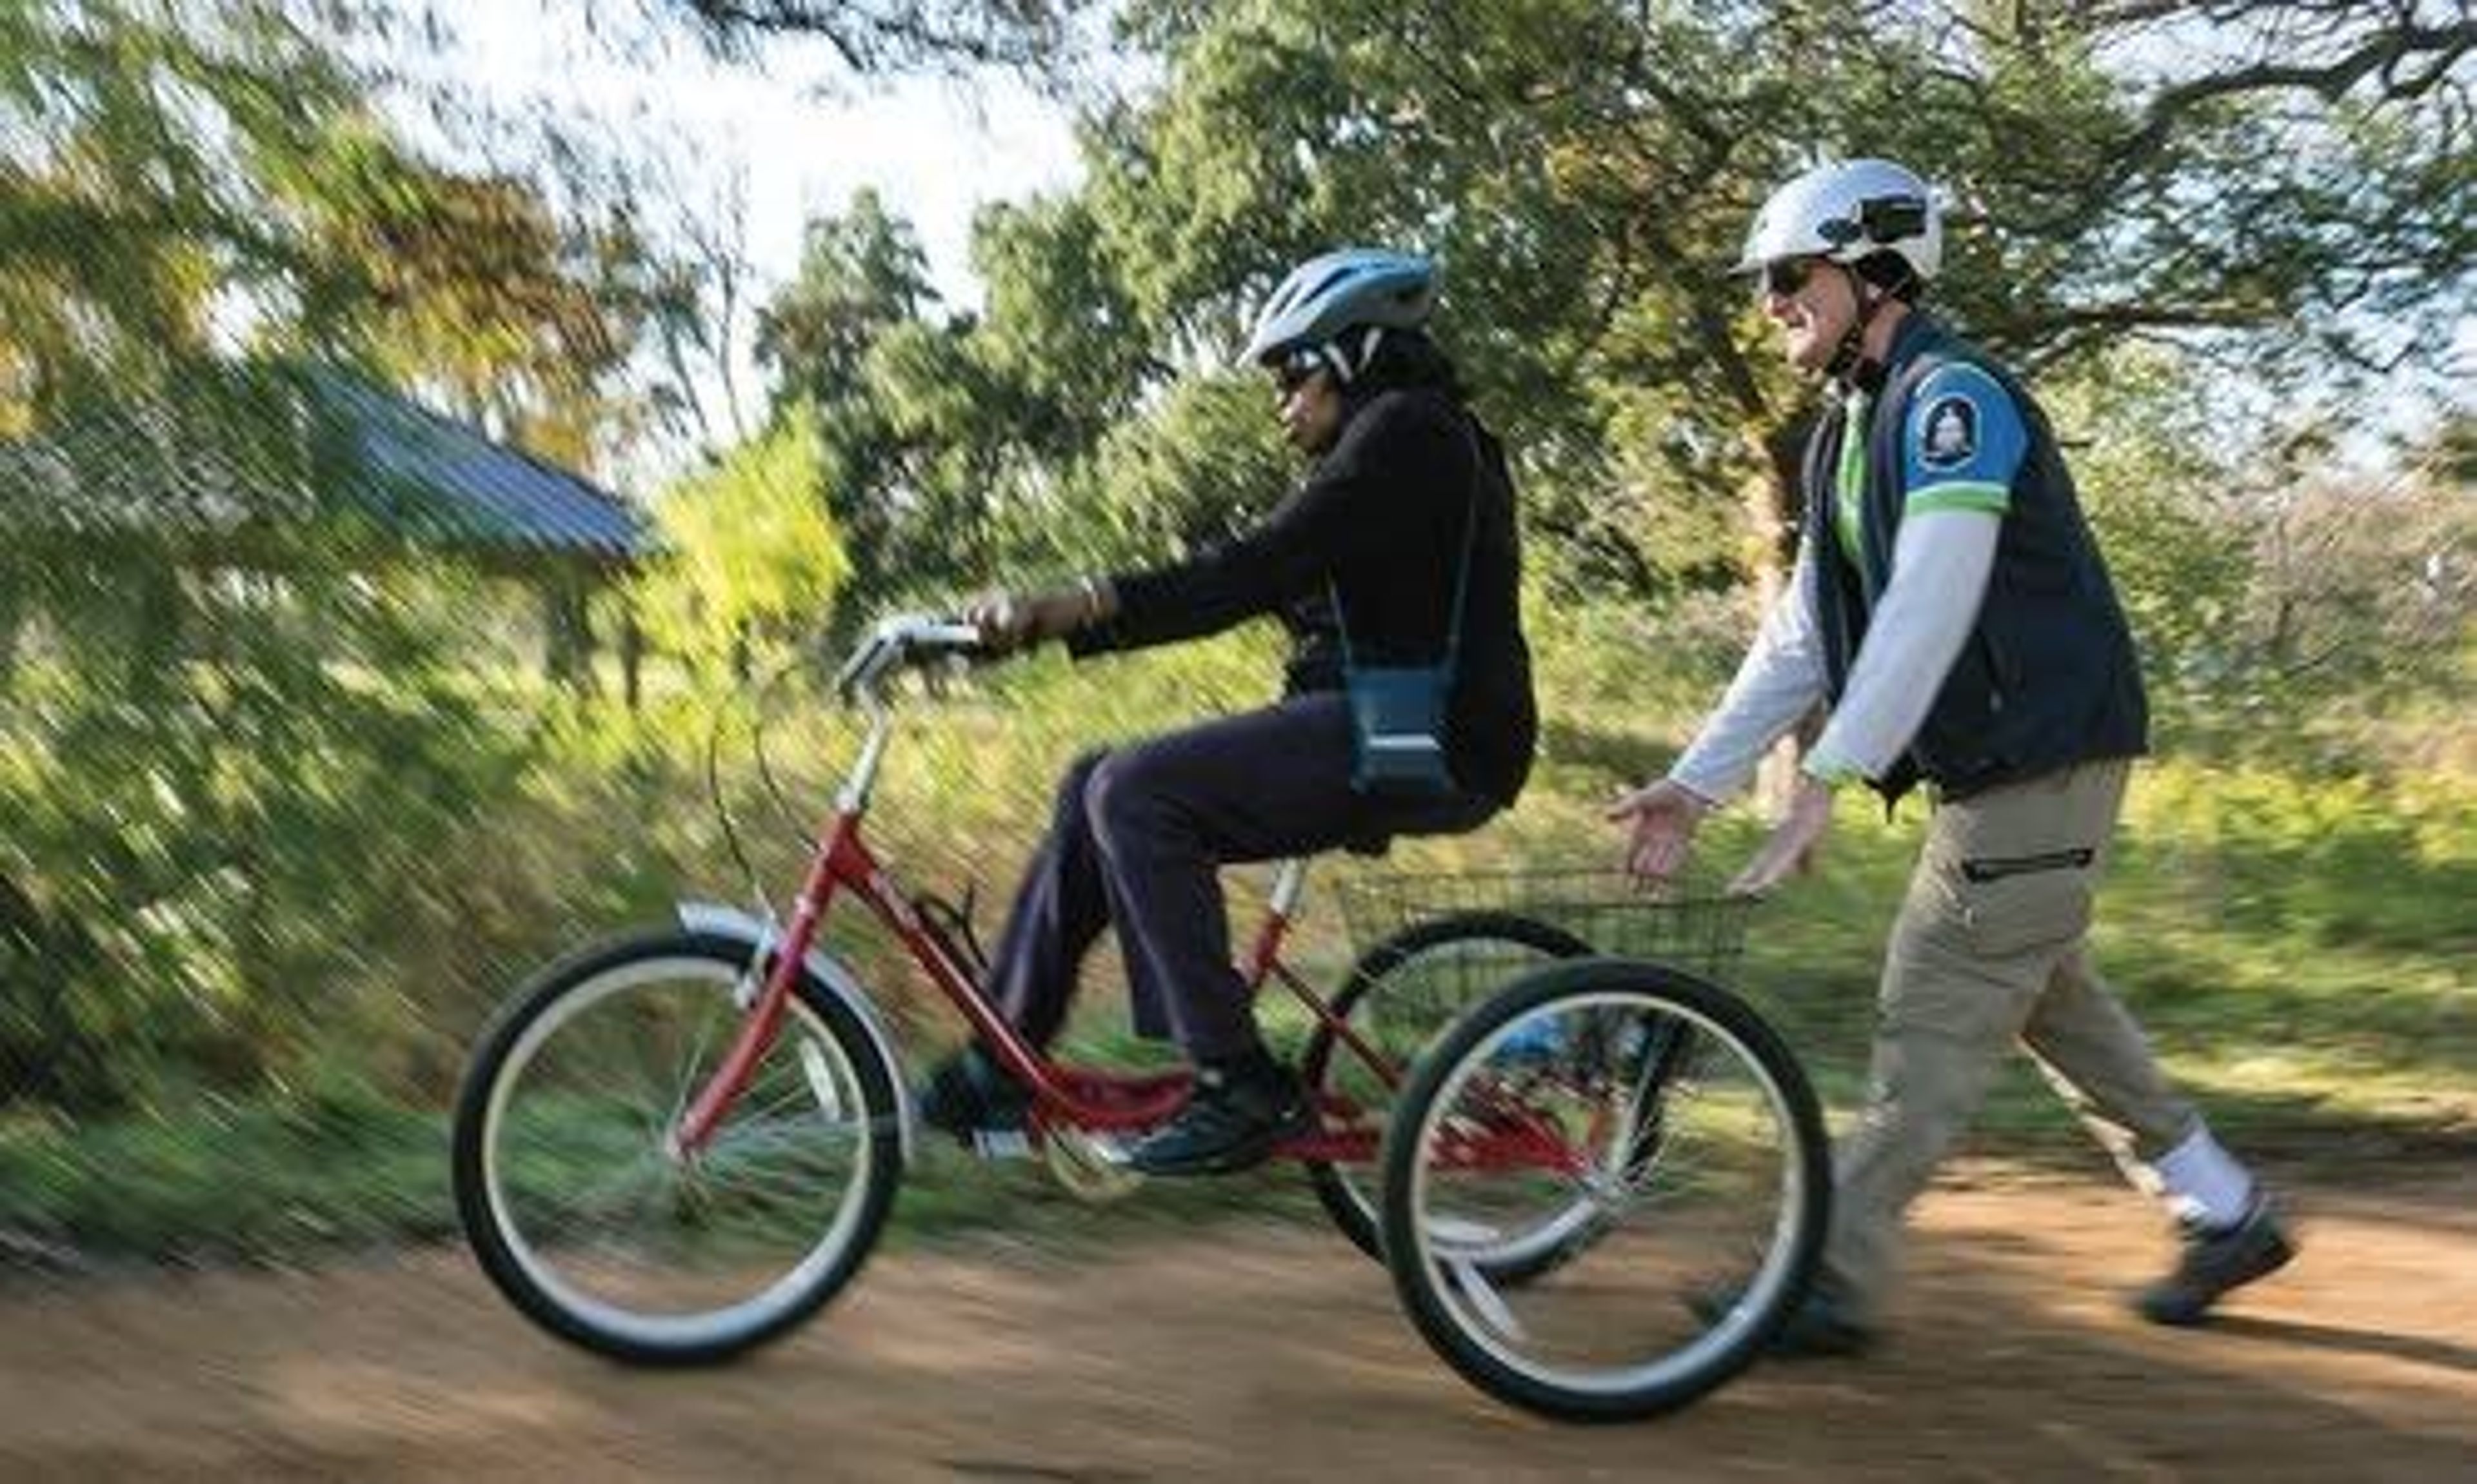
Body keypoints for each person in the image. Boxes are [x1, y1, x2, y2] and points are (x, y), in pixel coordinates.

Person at [1609, 160, 2295, 1352]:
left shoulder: (1952, 398)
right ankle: (2226, 1210)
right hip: (2011, 762)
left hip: (2045, 752)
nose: (1769, 302)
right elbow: (1805, 636)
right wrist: (1701, 778)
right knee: (2042, 988)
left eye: (1787, 275)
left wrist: (1826, 779)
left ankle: (1826, 1273)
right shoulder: (1850, 431)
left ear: (1874, 270)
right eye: (1765, 284)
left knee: (1936, 996)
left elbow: (1933, 594)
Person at [919, 246, 1537, 1176]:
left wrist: (1075, 603)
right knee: (1095, 778)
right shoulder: (1382, 452)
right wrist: (1049, 618)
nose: (1280, 397)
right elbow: (1258, 581)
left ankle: (1236, 1078)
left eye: (1293, 371)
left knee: (1139, 791)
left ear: (1359, 352)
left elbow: (1252, 568)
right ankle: (1004, 1054)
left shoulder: (1411, 432)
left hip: (1432, 732)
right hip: (1385, 717)